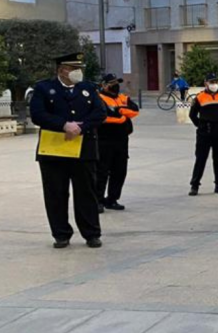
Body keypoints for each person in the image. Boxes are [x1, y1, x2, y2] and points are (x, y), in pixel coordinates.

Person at [29, 52, 105, 249]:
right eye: (73, 69)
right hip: (53, 150)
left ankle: (91, 234)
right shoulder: (44, 88)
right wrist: (63, 124)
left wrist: (82, 127)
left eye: (79, 69)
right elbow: (37, 114)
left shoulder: (88, 88)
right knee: (56, 193)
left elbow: (100, 112)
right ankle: (61, 234)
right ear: (61, 70)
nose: (77, 73)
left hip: (83, 149)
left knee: (86, 193)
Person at [95, 73, 139, 212]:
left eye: (116, 83)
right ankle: (98, 201)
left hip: (121, 141)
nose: (115, 86)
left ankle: (112, 199)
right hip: (104, 140)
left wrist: (120, 111)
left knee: (119, 171)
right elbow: (102, 117)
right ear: (103, 85)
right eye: (111, 83)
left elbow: (134, 110)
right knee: (101, 172)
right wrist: (121, 118)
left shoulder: (123, 98)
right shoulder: (98, 98)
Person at [188, 73, 218, 196]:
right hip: (205, 132)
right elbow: (192, 115)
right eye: (211, 82)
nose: (214, 84)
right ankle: (195, 185)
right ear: (206, 83)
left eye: (215, 82)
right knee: (201, 158)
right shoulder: (199, 97)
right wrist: (201, 125)